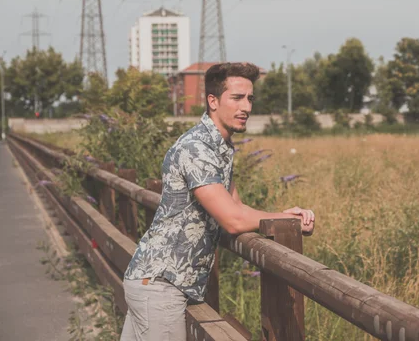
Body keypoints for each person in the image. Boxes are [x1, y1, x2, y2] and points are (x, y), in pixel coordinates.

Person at [120, 62, 315, 341]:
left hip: (159, 283)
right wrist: (290, 221)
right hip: (161, 285)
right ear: (213, 101)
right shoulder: (196, 148)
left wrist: (281, 215)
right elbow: (232, 220)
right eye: (236, 98)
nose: (246, 107)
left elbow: (236, 207)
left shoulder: (221, 147)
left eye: (250, 98)